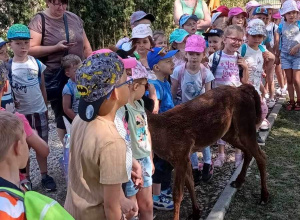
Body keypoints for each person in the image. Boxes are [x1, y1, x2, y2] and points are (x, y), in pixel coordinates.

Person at [64, 51, 137, 219]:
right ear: (114, 93)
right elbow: (112, 208)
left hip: (72, 212)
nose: (130, 85)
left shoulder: (80, 121)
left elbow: (97, 173)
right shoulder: (112, 141)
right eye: (127, 82)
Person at [28, 0, 92, 144]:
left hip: (80, 74)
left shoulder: (74, 18)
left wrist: (91, 66)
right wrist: (55, 48)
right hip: (56, 76)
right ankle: (67, 148)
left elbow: (86, 47)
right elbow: (30, 49)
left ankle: (85, 144)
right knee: (62, 113)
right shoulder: (40, 20)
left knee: (84, 106)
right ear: (48, 2)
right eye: (57, 3)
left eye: (64, 3)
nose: (61, 7)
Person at [6, 24, 56, 191]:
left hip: (39, 110)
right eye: (18, 43)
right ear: (10, 44)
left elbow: (42, 86)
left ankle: (44, 174)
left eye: (26, 43)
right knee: (23, 146)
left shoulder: (37, 63)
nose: (23, 47)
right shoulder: (8, 66)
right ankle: (25, 177)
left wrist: (45, 105)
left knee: (41, 144)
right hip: (20, 114)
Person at [171, 35, 214, 183]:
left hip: (201, 111)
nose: (194, 58)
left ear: (203, 54)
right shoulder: (179, 71)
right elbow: (173, 90)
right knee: (190, 141)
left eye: (197, 54)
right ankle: (194, 167)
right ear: (186, 54)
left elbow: (209, 95)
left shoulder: (206, 73)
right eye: (191, 54)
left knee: (204, 139)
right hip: (185, 110)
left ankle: (207, 164)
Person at [208, 25, 249, 167]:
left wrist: (245, 68)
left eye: (240, 40)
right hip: (219, 99)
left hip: (235, 99)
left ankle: (238, 154)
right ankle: (221, 154)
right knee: (221, 127)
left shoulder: (239, 58)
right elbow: (209, 77)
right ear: (224, 39)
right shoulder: (215, 57)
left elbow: (244, 81)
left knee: (236, 126)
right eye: (234, 39)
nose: (237, 42)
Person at [120, 61, 154, 219]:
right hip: (130, 163)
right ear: (134, 86)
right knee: (131, 209)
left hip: (145, 159)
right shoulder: (121, 109)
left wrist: (151, 159)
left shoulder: (140, 103)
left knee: (147, 204)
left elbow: (146, 131)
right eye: (145, 85)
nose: (146, 89)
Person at [147, 47, 178, 210]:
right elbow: (154, 112)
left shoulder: (164, 82)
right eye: (168, 61)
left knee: (167, 162)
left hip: (167, 130)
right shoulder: (154, 86)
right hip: (159, 133)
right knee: (159, 164)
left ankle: (164, 190)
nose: (172, 63)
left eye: (172, 60)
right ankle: (156, 197)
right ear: (156, 67)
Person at [238, 19, 270, 143]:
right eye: (254, 35)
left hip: (256, 86)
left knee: (262, 110)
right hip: (245, 86)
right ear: (247, 35)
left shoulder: (262, 49)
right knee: (249, 113)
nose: (257, 39)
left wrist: (263, 88)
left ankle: (254, 132)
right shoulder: (243, 48)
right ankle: (246, 135)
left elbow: (260, 69)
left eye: (260, 36)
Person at [277, 0, 300, 110]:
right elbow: (278, 41)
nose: (292, 15)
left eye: (294, 12)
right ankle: (291, 101)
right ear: (284, 15)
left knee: (297, 79)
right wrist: (277, 55)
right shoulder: (281, 26)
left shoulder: (299, 24)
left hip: (298, 56)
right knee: (289, 80)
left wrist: (297, 46)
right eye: (289, 13)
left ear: (297, 13)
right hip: (285, 56)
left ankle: (299, 100)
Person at [62, 54, 82, 121]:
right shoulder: (68, 88)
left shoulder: (86, 82)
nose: (80, 72)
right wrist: (77, 120)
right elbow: (66, 109)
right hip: (78, 118)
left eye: (81, 68)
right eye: (76, 70)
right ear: (68, 74)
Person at [0, 38, 14, 111]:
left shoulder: (7, 69)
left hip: (9, 107)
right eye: (1, 53)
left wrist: (14, 99)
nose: (6, 56)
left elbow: (9, 87)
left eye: (6, 52)